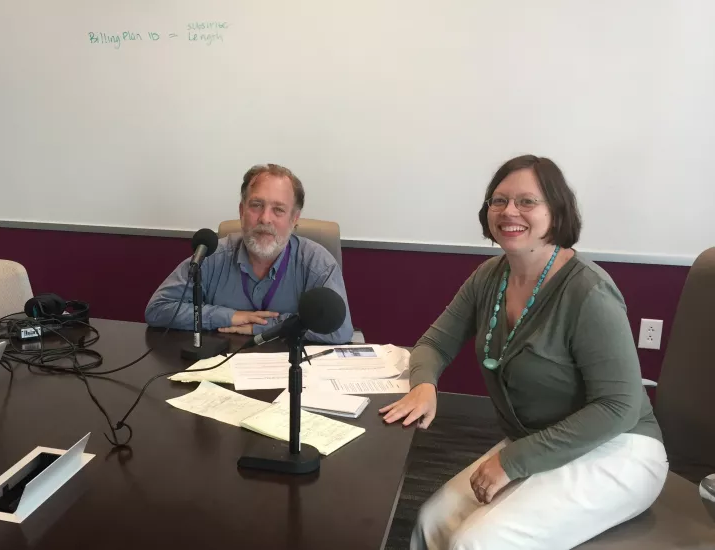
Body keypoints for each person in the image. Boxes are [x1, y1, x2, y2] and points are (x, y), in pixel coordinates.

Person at [381, 155, 667, 549]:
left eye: (527, 202)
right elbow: (434, 343)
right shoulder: (489, 277)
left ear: (557, 211)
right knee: (431, 523)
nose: (509, 211)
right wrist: (424, 384)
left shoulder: (590, 292)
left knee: (477, 542)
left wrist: (513, 461)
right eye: (498, 201)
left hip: (620, 449)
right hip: (538, 442)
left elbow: (619, 407)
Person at [145, 163, 354, 344]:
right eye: (256, 205)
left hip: (291, 371)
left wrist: (263, 326)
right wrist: (229, 316)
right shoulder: (212, 255)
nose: (265, 218)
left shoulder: (317, 263)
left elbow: (340, 329)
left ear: (294, 219)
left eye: (278, 210)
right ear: (241, 211)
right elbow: (158, 309)